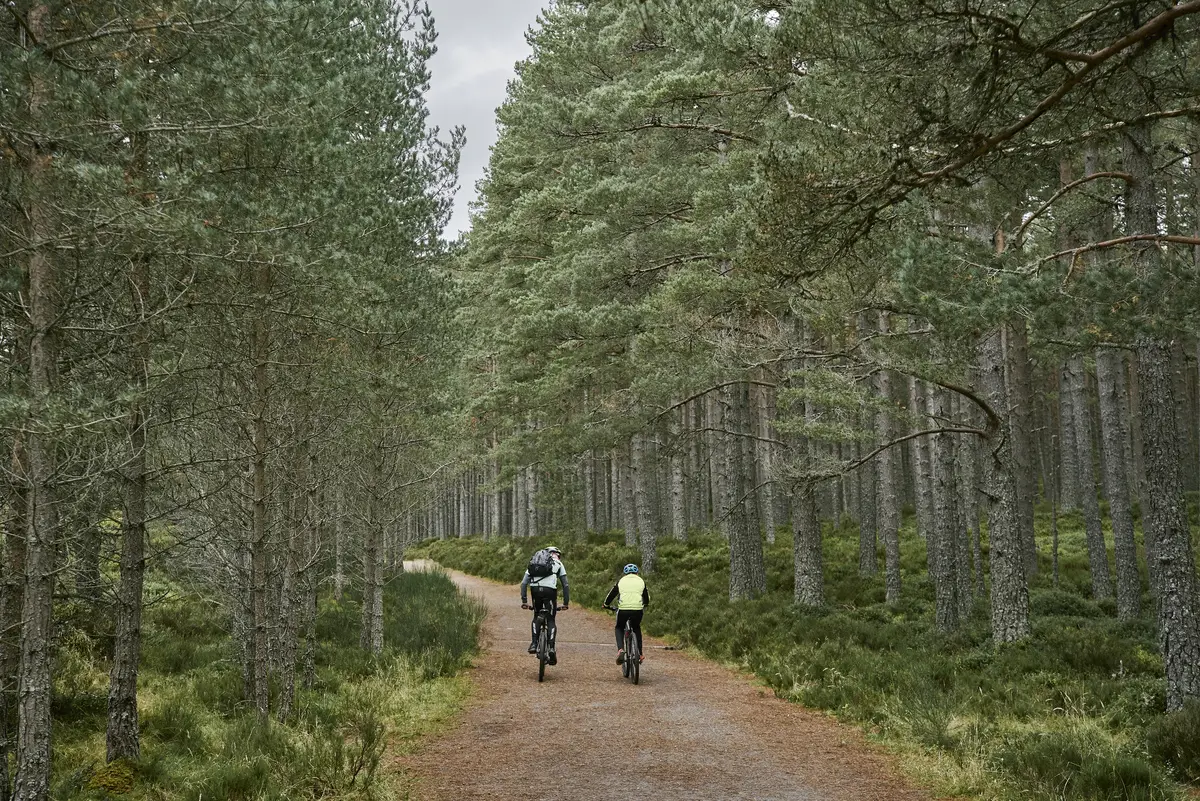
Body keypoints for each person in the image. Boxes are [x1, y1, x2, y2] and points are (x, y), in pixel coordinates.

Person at [520, 545, 569, 665]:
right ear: (557, 554)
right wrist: (565, 603)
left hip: (535, 591)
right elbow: (565, 585)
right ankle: (551, 647)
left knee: (536, 616)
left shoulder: (535, 562)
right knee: (551, 619)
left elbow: (523, 583)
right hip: (550, 592)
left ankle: (534, 643)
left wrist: (524, 601)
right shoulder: (558, 563)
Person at [603, 563, 649, 664]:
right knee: (636, 628)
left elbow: (612, 594)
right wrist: (645, 604)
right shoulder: (641, 581)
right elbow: (646, 597)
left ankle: (620, 650)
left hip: (623, 609)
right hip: (637, 609)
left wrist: (606, 604)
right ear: (637, 573)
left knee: (619, 627)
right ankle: (640, 654)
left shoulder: (621, 581)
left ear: (625, 573)